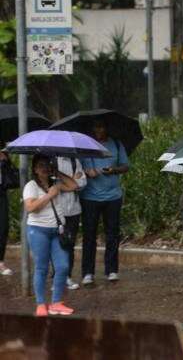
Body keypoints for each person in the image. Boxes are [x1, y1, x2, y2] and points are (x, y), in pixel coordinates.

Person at [23, 154, 78, 317]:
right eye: (41, 165)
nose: (45, 168)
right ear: (35, 169)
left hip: (57, 231)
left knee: (62, 267)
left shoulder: (56, 183)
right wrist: (49, 195)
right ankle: (41, 304)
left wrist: (58, 172)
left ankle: (56, 303)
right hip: (38, 230)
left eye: (47, 165)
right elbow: (30, 208)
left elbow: (74, 185)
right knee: (42, 268)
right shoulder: (31, 186)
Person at [80, 120, 129, 285]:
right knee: (89, 236)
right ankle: (87, 272)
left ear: (107, 128)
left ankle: (112, 270)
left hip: (113, 197)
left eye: (101, 126)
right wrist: (87, 172)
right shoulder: (84, 146)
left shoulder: (115, 144)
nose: (98, 129)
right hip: (90, 198)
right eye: (96, 126)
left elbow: (125, 166)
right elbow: (76, 170)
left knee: (112, 234)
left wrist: (113, 170)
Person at [56, 157, 87, 290]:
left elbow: (82, 183)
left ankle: (67, 276)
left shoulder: (75, 161)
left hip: (74, 209)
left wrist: (70, 184)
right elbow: (52, 186)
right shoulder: (52, 161)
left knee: (70, 244)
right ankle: (57, 277)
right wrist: (72, 182)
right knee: (57, 245)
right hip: (57, 209)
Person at [0, 149, 17, 276]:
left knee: (3, 227)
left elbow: (11, 177)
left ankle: (0, 262)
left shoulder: (3, 158)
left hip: (1, 193)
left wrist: (6, 160)